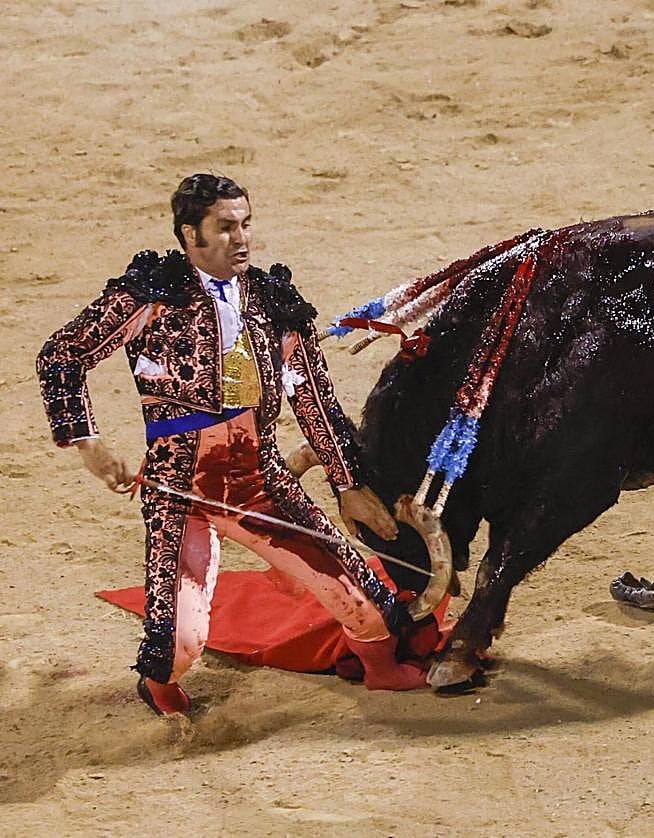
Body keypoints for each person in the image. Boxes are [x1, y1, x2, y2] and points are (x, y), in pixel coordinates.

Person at [36, 173, 427, 715]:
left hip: (260, 480)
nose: (241, 239)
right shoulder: (151, 296)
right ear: (189, 233)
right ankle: (160, 689)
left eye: (245, 224)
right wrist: (89, 444)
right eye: (224, 227)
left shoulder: (273, 302)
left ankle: (381, 671)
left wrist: (347, 485)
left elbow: (315, 399)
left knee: (366, 603)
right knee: (176, 647)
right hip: (179, 488)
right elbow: (61, 356)